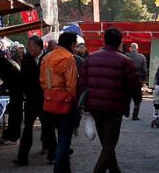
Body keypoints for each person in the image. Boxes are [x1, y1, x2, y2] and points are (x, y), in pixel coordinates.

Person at [79, 27, 142, 173]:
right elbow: (134, 84)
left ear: (104, 40)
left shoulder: (90, 58)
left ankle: (115, 170)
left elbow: (82, 82)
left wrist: (83, 103)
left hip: (94, 106)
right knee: (109, 144)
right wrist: (137, 99)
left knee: (106, 142)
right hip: (114, 107)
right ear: (120, 42)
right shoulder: (124, 61)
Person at [39, 32, 78, 173]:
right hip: (65, 103)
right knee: (64, 139)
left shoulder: (47, 57)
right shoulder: (69, 58)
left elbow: (42, 81)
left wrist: (50, 92)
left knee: (55, 136)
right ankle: (59, 170)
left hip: (48, 102)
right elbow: (72, 84)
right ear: (72, 44)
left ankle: (65, 169)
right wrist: (74, 101)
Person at [15, 35, 53, 166]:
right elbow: (22, 77)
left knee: (48, 126)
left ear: (39, 47)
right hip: (31, 99)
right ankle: (22, 157)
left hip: (45, 98)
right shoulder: (27, 58)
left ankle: (52, 154)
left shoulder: (48, 58)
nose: (28, 49)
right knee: (27, 128)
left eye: (30, 47)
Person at [0, 52, 23, 144]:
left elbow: (7, 80)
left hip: (17, 91)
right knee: (11, 115)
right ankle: (7, 136)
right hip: (16, 91)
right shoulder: (5, 62)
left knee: (15, 115)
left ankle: (14, 138)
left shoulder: (4, 64)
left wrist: (0, 91)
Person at [126, 42, 147, 121]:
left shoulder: (125, 56)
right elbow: (145, 71)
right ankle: (135, 115)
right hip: (137, 81)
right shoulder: (142, 57)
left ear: (130, 48)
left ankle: (125, 112)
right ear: (137, 49)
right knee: (137, 100)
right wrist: (142, 80)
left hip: (127, 81)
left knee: (126, 98)